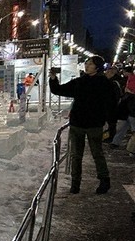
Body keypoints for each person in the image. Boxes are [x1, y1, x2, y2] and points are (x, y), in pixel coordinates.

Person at [49, 55, 119, 194]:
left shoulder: (105, 83)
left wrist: (110, 123)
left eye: (90, 64)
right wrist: (53, 79)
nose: (87, 66)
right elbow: (58, 90)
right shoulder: (79, 81)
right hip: (77, 124)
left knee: (97, 154)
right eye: (86, 63)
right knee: (76, 155)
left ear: (97, 67)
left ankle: (104, 181)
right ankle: (75, 184)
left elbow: (111, 104)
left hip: (95, 124)